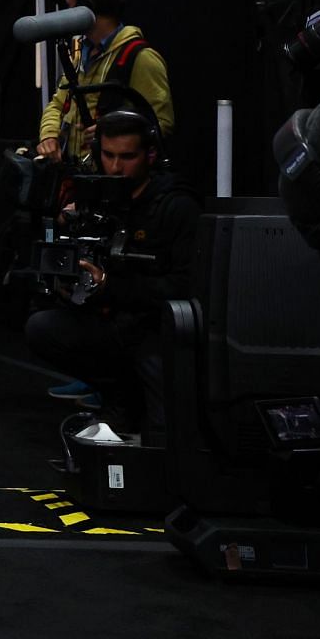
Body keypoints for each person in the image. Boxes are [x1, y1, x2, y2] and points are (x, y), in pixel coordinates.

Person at [25, 110, 196, 434]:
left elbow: (185, 286)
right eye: (108, 155)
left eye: (127, 157)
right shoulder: (98, 199)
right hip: (111, 319)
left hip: (155, 328)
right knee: (43, 326)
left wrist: (111, 286)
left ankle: (135, 403)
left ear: (150, 154)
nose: (117, 167)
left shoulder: (175, 206)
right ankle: (120, 397)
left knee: (165, 432)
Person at [37, 0, 174, 166]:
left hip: (115, 178)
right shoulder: (80, 54)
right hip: (77, 174)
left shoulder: (141, 58)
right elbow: (59, 103)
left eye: (71, 8)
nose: (66, 15)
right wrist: (49, 135)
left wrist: (113, 131)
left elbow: (160, 123)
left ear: (87, 10)